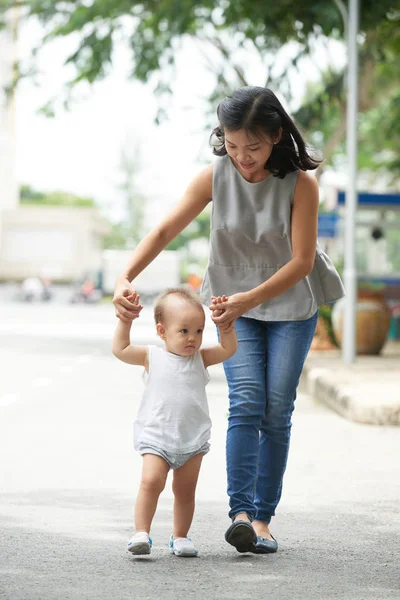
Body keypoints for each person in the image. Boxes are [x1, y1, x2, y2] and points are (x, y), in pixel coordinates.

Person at [112, 86, 345, 555]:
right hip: (228, 309)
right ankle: (240, 514)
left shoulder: (302, 184)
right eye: (233, 145)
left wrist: (247, 300)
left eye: (254, 148)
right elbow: (163, 230)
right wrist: (125, 275)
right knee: (245, 402)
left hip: (289, 308)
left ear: (277, 137)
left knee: (276, 411)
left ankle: (262, 519)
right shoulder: (214, 177)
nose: (243, 158)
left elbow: (301, 262)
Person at [112, 288, 237, 557]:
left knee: (185, 491)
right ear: (162, 331)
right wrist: (126, 320)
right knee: (151, 482)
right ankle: (141, 532)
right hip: (157, 437)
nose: (193, 338)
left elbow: (229, 348)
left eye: (199, 331)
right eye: (184, 331)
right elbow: (120, 349)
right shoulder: (152, 356)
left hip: (192, 439)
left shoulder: (200, 358)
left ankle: (180, 536)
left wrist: (225, 325)